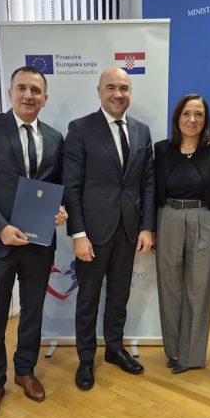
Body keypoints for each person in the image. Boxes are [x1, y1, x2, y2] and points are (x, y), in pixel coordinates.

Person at [0, 66, 68, 418]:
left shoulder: (55, 138)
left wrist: (60, 211)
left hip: (39, 244)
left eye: (36, 91)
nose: (28, 95)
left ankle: (25, 370)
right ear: (10, 93)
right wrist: (1, 227)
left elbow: (56, 187)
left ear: (45, 99)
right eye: (22, 88)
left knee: (33, 311)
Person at [63, 67, 155, 390]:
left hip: (128, 231)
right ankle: (86, 359)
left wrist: (147, 227)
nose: (118, 94)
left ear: (130, 93)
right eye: (111, 87)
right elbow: (71, 186)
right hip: (92, 233)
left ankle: (114, 349)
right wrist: (78, 234)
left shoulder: (142, 131)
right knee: (88, 299)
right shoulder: (80, 129)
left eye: (124, 88)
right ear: (99, 91)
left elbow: (148, 183)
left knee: (119, 296)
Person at [154, 94, 210, 374]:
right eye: (186, 113)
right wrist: (150, 228)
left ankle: (191, 355)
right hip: (168, 217)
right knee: (170, 288)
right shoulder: (162, 150)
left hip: (204, 219)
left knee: (198, 290)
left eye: (199, 114)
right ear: (177, 118)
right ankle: (173, 350)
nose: (192, 119)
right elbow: (152, 191)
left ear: (205, 120)